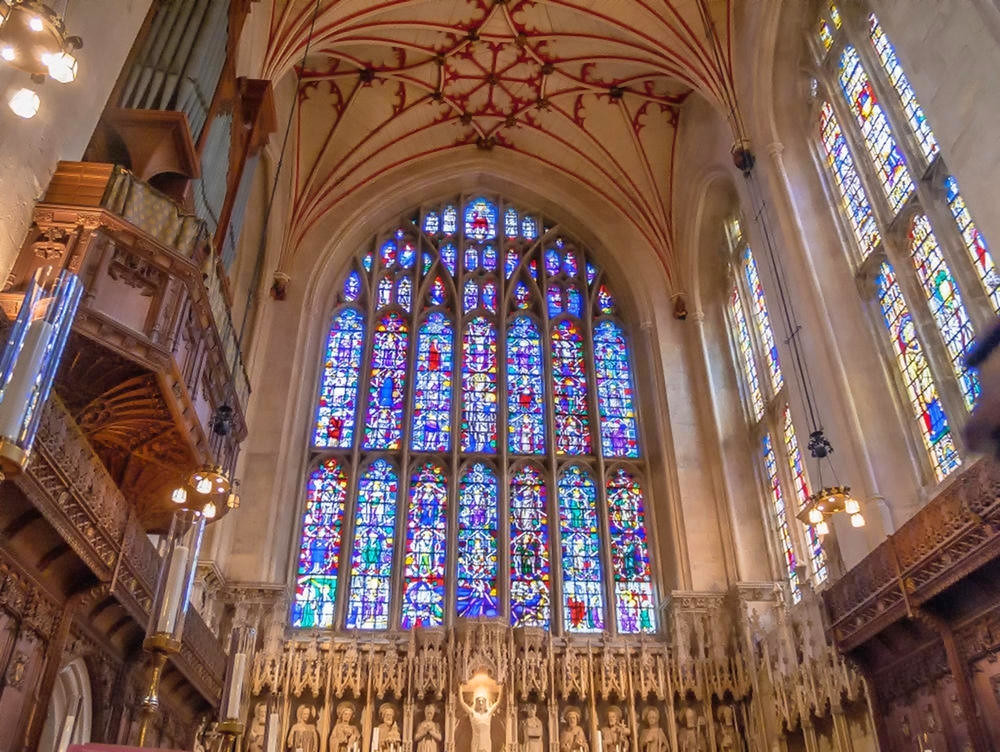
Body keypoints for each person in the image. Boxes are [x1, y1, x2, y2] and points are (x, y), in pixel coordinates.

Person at [459, 687, 502, 752]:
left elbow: (498, 703)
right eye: (479, 701)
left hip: (486, 744)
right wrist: (460, 687)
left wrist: (501, 687)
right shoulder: (472, 714)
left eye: (482, 701)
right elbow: (462, 703)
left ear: (485, 702)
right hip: (476, 743)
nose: (481, 703)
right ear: (476, 702)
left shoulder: (488, 714)